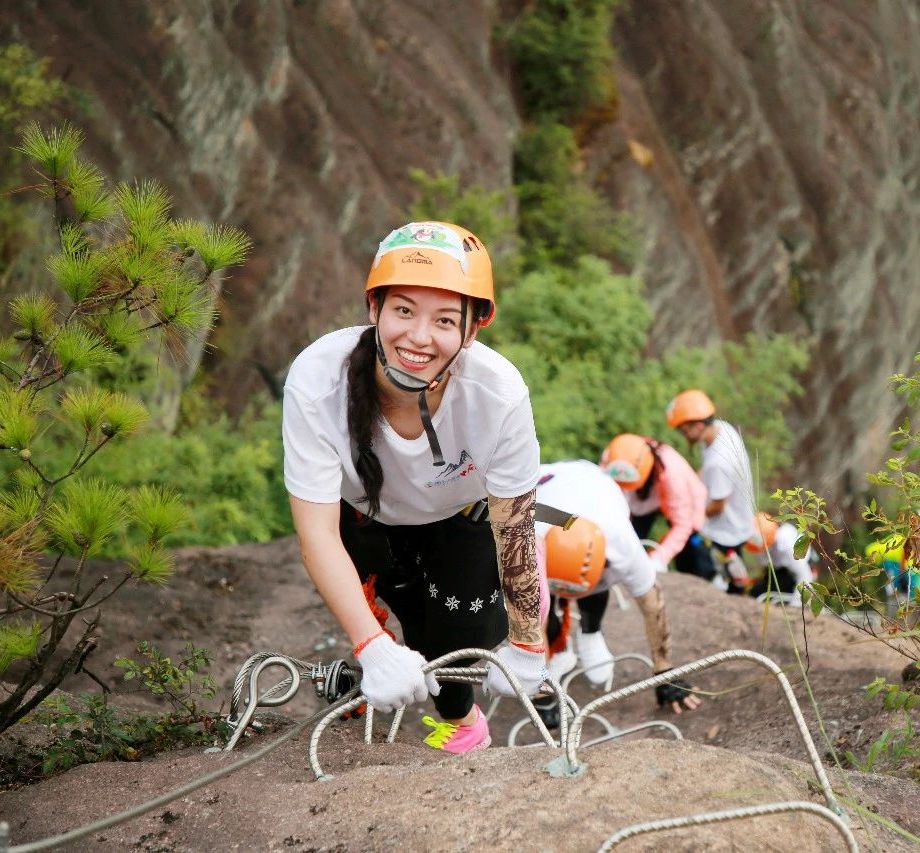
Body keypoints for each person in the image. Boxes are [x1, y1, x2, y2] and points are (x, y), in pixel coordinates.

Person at [282, 221, 548, 754]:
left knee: (453, 652)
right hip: (360, 521)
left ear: (473, 330)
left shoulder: (498, 395)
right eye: (403, 311)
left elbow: (515, 527)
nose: (420, 337)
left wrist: (527, 643)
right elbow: (316, 533)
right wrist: (371, 646)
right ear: (374, 310)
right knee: (383, 633)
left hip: (457, 519)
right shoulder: (317, 381)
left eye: (445, 320)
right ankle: (367, 671)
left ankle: (462, 722)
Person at [534, 460, 701, 720]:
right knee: (536, 603)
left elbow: (652, 603)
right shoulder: (527, 538)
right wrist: (541, 693)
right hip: (546, 484)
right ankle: (560, 651)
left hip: (594, 483)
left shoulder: (622, 543)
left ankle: (590, 632)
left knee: (593, 588)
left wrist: (665, 671)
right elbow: (530, 618)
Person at [665, 389, 757, 594]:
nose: (683, 434)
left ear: (698, 425)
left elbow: (716, 507)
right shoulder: (720, 430)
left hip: (726, 530)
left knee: (725, 575)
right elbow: (707, 471)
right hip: (737, 519)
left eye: (684, 430)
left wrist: (687, 514)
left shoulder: (719, 461)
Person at [599, 433, 714, 579]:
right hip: (641, 504)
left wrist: (658, 558)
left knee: (692, 558)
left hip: (687, 509)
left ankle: (706, 578)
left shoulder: (672, 476)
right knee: (629, 541)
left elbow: (682, 525)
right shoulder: (613, 457)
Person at [747, 512, 815, 607]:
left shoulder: (785, 543)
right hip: (779, 570)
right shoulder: (758, 543)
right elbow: (763, 565)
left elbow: (805, 575)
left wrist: (796, 604)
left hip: (795, 573)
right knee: (755, 591)